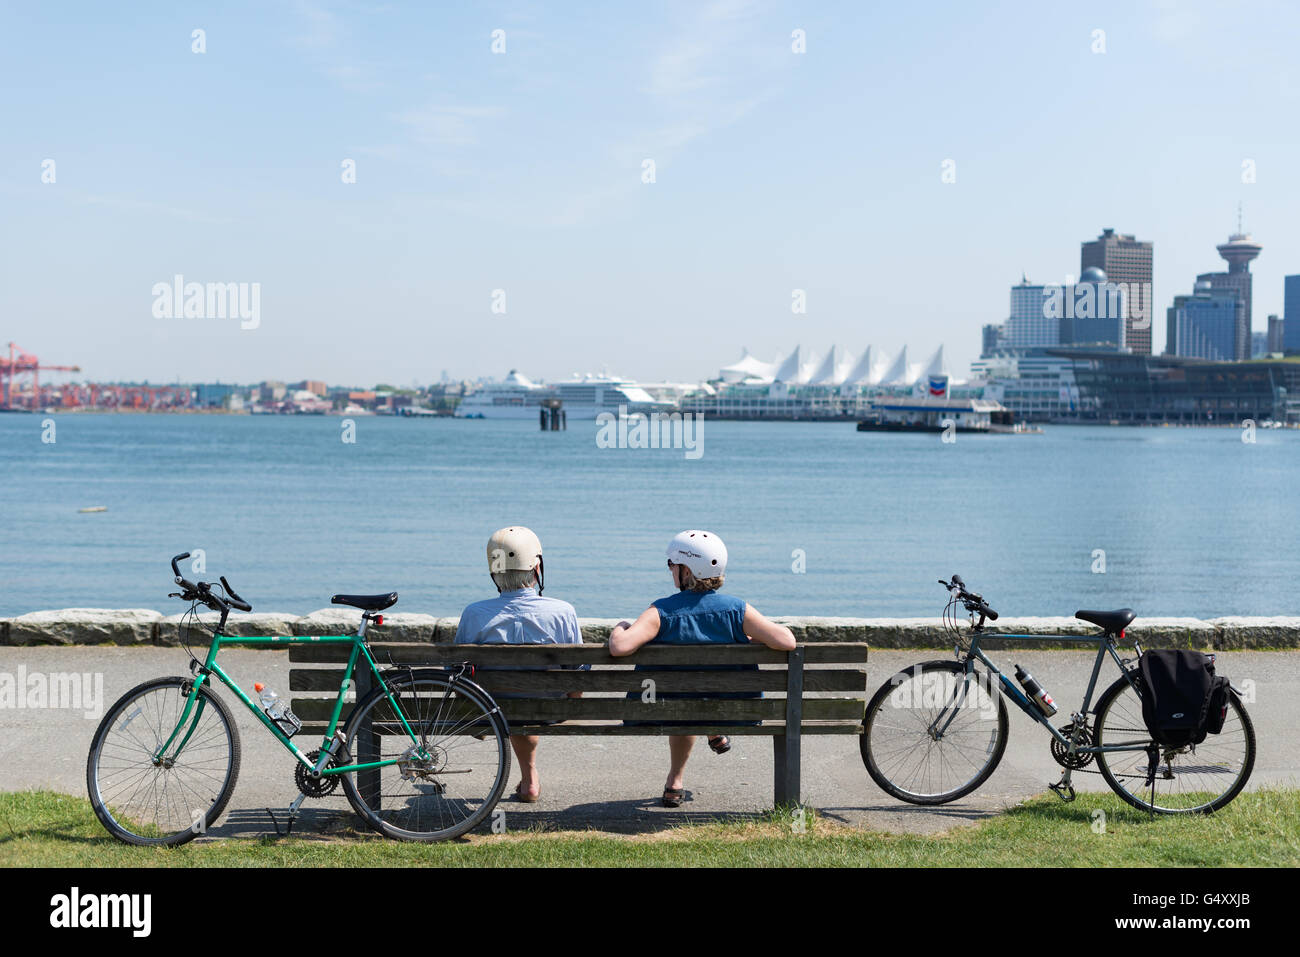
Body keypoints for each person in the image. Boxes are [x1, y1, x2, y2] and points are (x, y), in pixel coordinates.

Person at [608, 530, 796, 807]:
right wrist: (749, 639)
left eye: (672, 564)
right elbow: (787, 640)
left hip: (664, 711)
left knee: (681, 699)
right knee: (698, 697)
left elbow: (619, 647)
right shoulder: (736, 610)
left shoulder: (661, 611)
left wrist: (621, 626)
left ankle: (675, 781)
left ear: (686, 569)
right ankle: (712, 732)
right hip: (736, 712)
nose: (670, 570)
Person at [455, 525, 582, 802]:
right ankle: (529, 779)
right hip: (550, 710)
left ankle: (529, 779)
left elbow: (456, 671)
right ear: (537, 568)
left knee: (510, 700)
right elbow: (579, 671)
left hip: (489, 710)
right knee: (529, 698)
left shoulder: (474, 614)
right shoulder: (562, 612)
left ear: (494, 571)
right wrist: (572, 702)